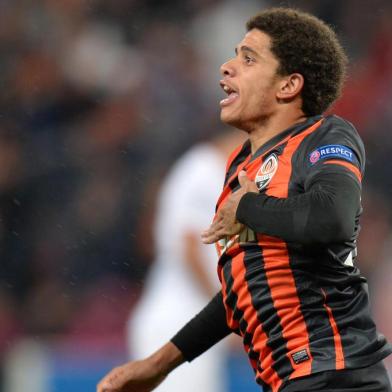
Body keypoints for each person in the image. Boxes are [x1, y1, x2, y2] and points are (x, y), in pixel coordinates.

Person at [97, 7, 392, 392]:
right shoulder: (244, 169)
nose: (226, 67)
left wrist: (249, 207)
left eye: (248, 59)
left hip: (336, 374)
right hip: (294, 378)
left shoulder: (325, 137)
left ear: (288, 86)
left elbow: (333, 216)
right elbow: (242, 290)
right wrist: (158, 364)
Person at [126, 129, 244, 392]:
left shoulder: (232, 180)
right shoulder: (202, 168)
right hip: (174, 321)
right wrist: (229, 309)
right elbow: (188, 247)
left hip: (196, 325)